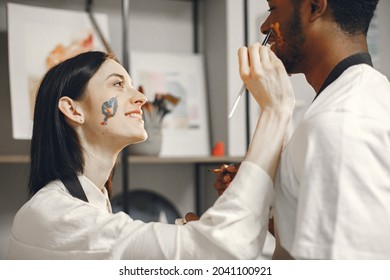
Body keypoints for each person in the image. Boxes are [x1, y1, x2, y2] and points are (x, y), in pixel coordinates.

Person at [7, 50, 294, 259]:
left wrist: (200, 236)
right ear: (73, 110)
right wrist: (275, 110)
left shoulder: (91, 205)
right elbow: (220, 250)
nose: (141, 97)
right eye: (118, 84)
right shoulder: (53, 216)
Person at [218, 0, 390, 259]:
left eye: (272, 9)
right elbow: (312, 241)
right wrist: (256, 197)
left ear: (314, 7)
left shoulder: (341, 123)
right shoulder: (354, 99)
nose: (265, 27)